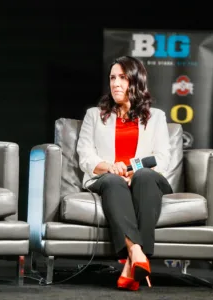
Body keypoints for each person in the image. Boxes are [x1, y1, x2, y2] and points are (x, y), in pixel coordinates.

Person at [77, 55, 174, 291]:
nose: (116, 84)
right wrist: (111, 167)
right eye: (112, 78)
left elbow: (162, 159)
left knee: (144, 176)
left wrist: (131, 168)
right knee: (112, 181)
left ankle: (132, 263)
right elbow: (85, 156)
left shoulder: (156, 117)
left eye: (123, 77)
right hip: (106, 178)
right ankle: (137, 253)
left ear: (136, 81)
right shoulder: (95, 115)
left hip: (144, 179)